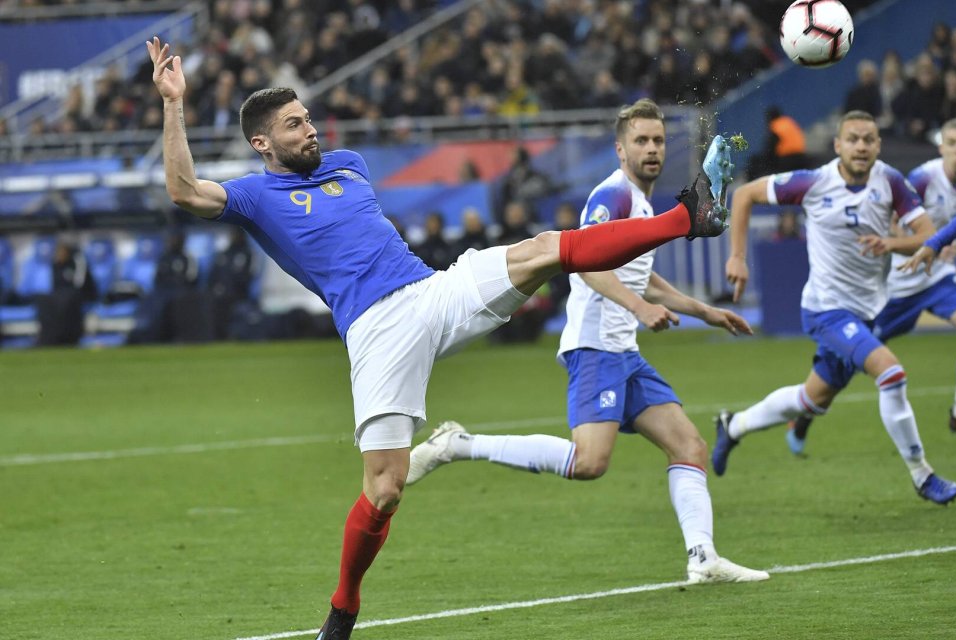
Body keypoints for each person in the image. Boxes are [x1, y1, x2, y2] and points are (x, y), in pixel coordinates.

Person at [147, 38, 731, 640]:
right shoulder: (253, 196)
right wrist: (175, 104)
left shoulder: (349, 164)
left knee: (544, 249)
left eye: (309, 117)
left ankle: (686, 218)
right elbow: (184, 190)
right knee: (385, 489)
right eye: (295, 125)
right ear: (262, 143)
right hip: (376, 331)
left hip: (431, 293)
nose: (311, 130)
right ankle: (344, 608)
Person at [404, 99, 768, 586]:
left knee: (689, 446)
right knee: (588, 463)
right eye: (641, 140)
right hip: (595, 347)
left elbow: (645, 278)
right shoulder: (612, 196)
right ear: (620, 149)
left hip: (625, 353)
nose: (652, 149)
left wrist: (707, 312)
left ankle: (703, 558)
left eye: (658, 140)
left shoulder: (643, 204)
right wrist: (639, 309)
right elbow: (585, 262)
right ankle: (458, 444)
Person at [718, 110, 956, 506]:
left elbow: (928, 235)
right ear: (838, 145)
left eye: (869, 139)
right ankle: (923, 475)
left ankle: (733, 426)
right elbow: (744, 194)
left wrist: (890, 244)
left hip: (866, 311)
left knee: (810, 400)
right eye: (853, 139)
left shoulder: (891, 182)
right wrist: (737, 257)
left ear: (878, 146)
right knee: (892, 373)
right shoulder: (812, 182)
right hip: (826, 310)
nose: (861, 146)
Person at [787, 118, 956, 452]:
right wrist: (931, 241)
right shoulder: (922, 178)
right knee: (844, 366)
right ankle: (803, 416)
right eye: (953, 143)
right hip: (896, 284)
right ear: (942, 147)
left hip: (937, 278)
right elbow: (889, 225)